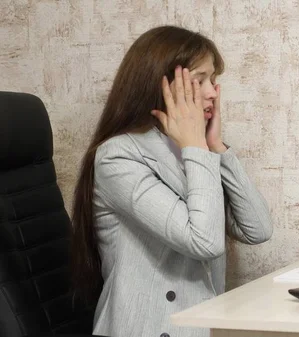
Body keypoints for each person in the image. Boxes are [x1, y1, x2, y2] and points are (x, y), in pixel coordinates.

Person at [69, 25, 273, 337]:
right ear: (159, 85)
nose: (212, 92)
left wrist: (216, 147)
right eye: (199, 80)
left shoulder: (194, 150)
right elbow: (203, 241)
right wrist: (197, 148)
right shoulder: (118, 157)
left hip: (199, 326)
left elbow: (257, 229)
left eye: (213, 81)